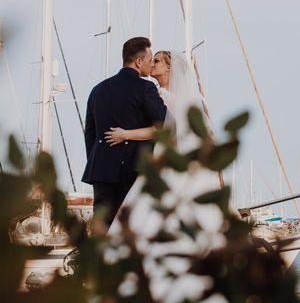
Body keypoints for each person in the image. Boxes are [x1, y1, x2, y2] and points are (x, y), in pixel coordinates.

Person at [106, 50, 224, 302]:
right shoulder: (181, 99)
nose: (152, 63)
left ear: (170, 69)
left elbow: (163, 131)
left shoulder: (162, 96)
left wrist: (126, 134)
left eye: (157, 60)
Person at [81, 37, 167, 227]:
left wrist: (97, 158)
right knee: (128, 224)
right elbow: (164, 125)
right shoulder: (145, 88)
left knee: (102, 223)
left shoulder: (98, 90)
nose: (151, 63)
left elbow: (90, 133)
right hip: (132, 167)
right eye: (149, 59)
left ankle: (98, 256)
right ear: (138, 62)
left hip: (101, 168)